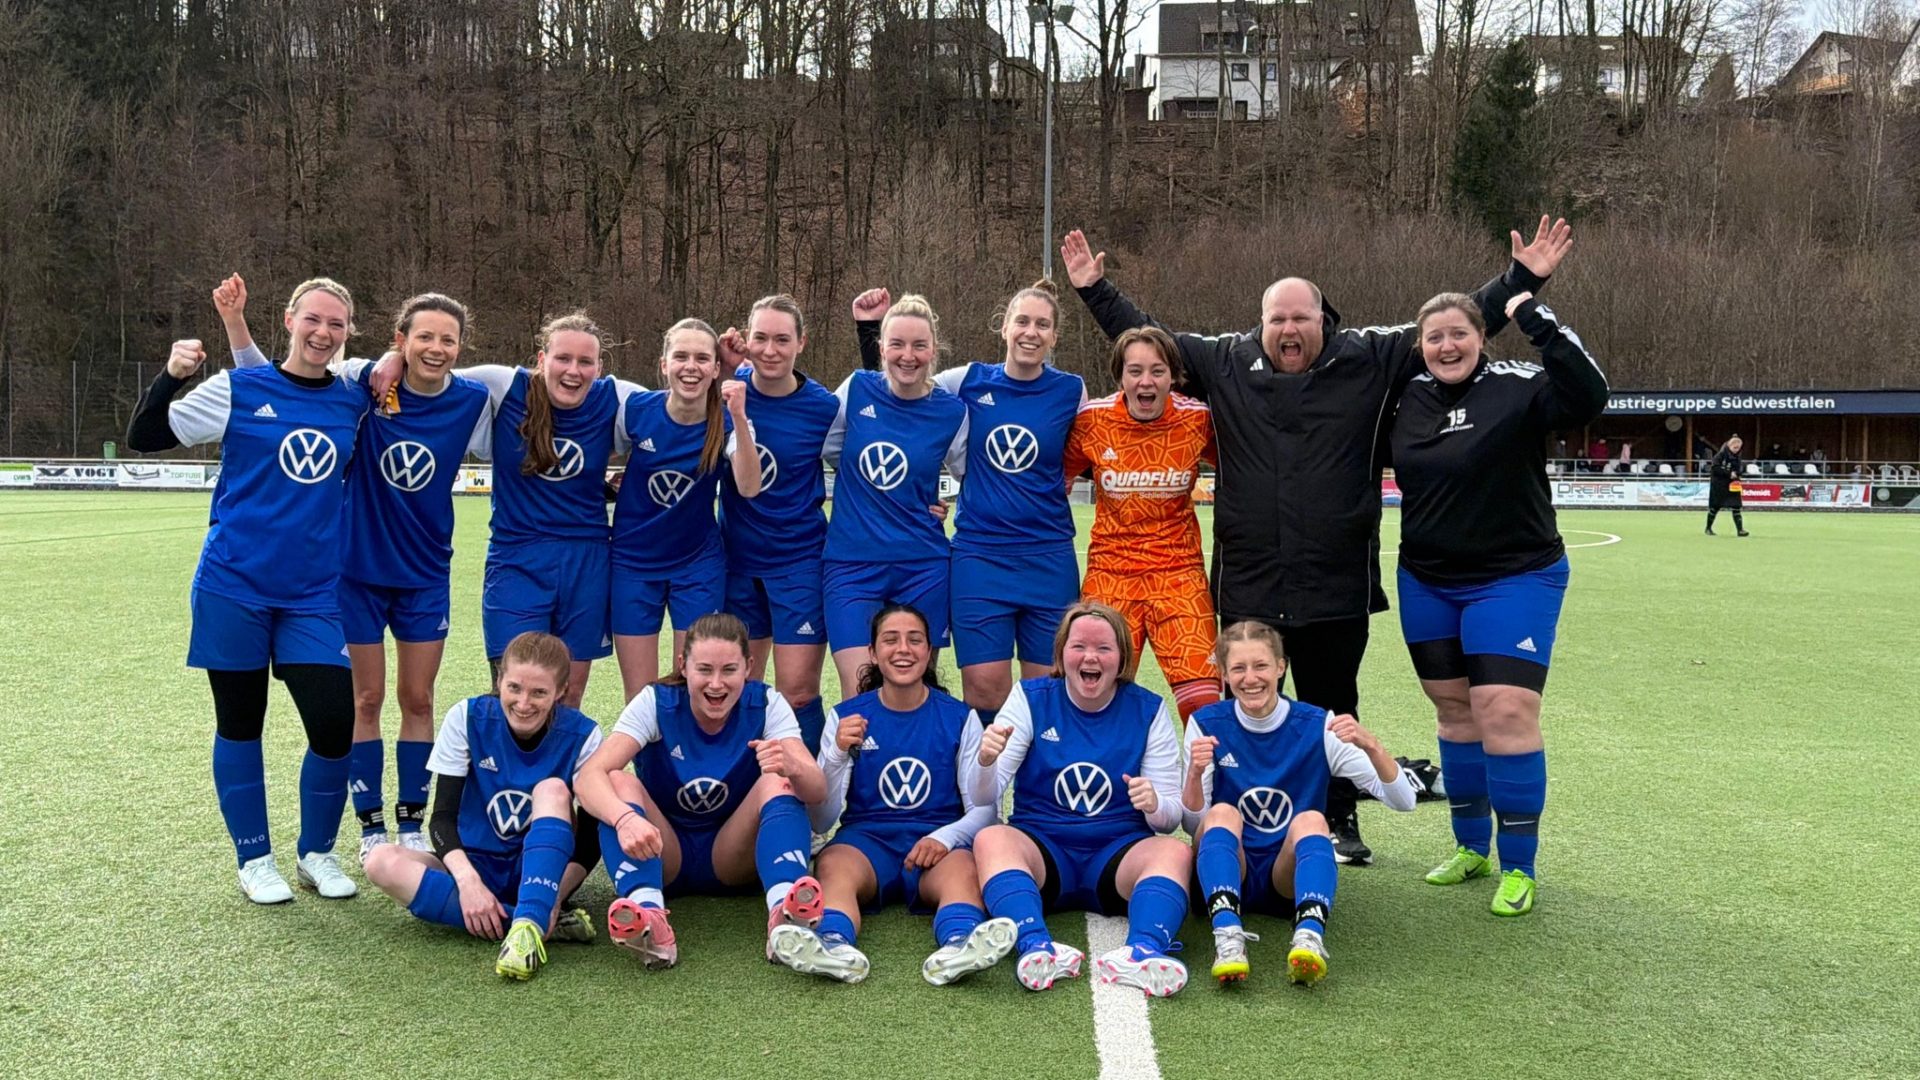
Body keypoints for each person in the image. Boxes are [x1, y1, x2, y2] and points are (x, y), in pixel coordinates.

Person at [1059, 219, 1572, 865]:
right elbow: (1153, 345)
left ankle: (1340, 816)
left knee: (1333, 706)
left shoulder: (1372, 356)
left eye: (1302, 319)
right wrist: (1094, 289)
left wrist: (1522, 281)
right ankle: (1244, 814)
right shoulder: (1223, 361)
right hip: (1250, 576)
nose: (1290, 330)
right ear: (1262, 324)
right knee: (1246, 699)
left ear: (1322, 321)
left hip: (1336, 577)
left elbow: (1454, 329)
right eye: (1278, 320)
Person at [219, 279, 494, 862]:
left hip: (424, 574)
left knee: (418, 698)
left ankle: (412, 821)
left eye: (448, 339)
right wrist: (382, 360)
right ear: (401, 339)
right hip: (354, 573)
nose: (435, 348)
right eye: (422, 337)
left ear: (461, 346)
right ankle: (369, 824)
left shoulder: (471, 400)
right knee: (364, 699)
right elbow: (278, 381)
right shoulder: (362, 390)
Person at [125, 278, 370, 903]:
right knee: (241, 722)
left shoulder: (353, 400)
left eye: (336, 324)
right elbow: (146, 435)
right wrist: (173, 374)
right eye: (312, 319)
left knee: (334, 722)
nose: (322, 333)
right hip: (234, 585)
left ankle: (316, 853)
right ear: (289, 320)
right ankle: (254, 859)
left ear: (348, 333)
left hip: (313, 594)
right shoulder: (238, 387)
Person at [1390, 290, 1609, 917]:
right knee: (1454, 710)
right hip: (1427, 577)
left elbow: (1589, 397)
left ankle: (1519, 866)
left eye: (1459, 333)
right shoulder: (1404, 397)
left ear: (1481, 337)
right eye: (1434, 337)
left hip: (1515, 576)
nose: (1447, 346)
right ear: (1420, 345)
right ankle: (1470, 849)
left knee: (1504, 709)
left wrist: (1542, 326)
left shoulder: (1518, 386)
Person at [372, 312, 647, 707]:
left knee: (569, 693)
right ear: (541, 358)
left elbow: (676, 405)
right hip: (517, 560)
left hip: (586, 563)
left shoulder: (615, 398)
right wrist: (393, 357)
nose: (573, 371)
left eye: (585, 362)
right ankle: (503, 769)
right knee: (513, 690)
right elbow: (433, 371)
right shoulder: (504, 386)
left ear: (599, 367)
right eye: (563, 359)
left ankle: (560, 771)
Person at [855, 282, 1086, 729]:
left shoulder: (1071, 392)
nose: (1031, 332)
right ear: (1004, 327)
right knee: (984, 689)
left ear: (1055, 336)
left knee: (1048, 691)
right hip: (980, 557)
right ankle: (982, 795)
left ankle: (1037, 796)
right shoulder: (965, 381)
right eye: (1022, 321)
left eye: (1042, 325)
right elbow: (900, 398)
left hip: (1048, 558)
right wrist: (911, 495)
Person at [768, 604, 1014, 984]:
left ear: (929, 651)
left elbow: (984, 808)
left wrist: (944, 838)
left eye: (915, 640)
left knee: (965, 870)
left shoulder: (958, 717)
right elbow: (821, 819)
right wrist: (834, 753)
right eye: (891, 640)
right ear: (872, 653)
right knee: (832, 865)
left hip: (935, 845)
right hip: (867, 843)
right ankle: (833, 945)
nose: (903, 649)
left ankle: (960, 944)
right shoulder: (847, 717)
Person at [573, 613, 827, 967]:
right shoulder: (656, 702)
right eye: (704, 669)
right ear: (683, 665)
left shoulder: (766, 703)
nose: (716, 684)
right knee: (617, 782)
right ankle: (651, 922)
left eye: (729, 670)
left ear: (749, 667)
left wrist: (794, 766)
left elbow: (816, 791)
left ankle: (785, 917)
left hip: (734, 855)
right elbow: (588, 778)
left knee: (778, 780)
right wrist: (626, 818)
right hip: (663, 851)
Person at [969, 602, 1192, 997]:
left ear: (1122, 657)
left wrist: (1155, 802)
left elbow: (1169, 819)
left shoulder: (1148, 709)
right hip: (1044, 849)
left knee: (1173, 852)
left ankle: (1143, 951)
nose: (1090, 657)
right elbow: (984, 795)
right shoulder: (1030, 697)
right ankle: (1035, 945)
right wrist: (985, 761)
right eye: (1079, 647)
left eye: (1104, 648)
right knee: (991, 838)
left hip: (1117, 852)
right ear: (1061, 654)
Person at [1182, 622, 1416, 987]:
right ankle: (1227, 937)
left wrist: (1372, 746)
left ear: (1281, 666)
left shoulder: (1316, 725)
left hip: (1285, 878)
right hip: (1230, 869)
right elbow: (1193, 826)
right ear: (1223, 674)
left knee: (1311, 819)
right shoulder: (1206, 724)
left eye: (1260, 666)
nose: (1250, 678)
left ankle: (1308, 938)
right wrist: (1194, 775)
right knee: (1221, 812)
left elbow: (1404, 801)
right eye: (1239, 669)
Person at [361, 632, 604, 980]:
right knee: (380, 862)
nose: (523, 703)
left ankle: (533, 912)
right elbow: (441, 820)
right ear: (499, 680)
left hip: (540, 873)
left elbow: (590, 841)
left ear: (561, 691)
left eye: (539, 692)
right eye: (515, 687)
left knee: (552, 789)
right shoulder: (467, 716)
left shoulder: (584, 735)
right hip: (474, 866)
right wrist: (469, 883)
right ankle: (530, 923)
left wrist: (554, 896)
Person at [1061, 326, 1221, 722]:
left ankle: (1204, 781)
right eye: (1135, 371)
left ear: (1173, 377)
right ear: (1120, 377)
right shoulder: (1093, 420)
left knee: (1204, 700)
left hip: (1178, 574)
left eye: (1157, 371)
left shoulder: (1197, 420)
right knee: (1093, 689)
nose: (1146, 381)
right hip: (1111, 573)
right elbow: (1050, 481)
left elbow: (1249, 466)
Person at [821, 293, 968, 700]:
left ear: (934, 351)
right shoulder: (857, 389)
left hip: (922, 565)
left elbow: (974, 474)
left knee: (913, 691)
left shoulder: (952, 412)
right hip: (851, 565)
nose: (908, 356)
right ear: (881, 348)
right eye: (897, 345)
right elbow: (827, 447)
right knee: (861, 691)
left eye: (919, 346)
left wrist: (949, 505)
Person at [611, 318, 761, 700]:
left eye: (701, 358)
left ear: (715, 368)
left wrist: (741, 418)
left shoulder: (727, 420)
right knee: (640, 696)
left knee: (691, 686)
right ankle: (647, 761)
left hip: (697, 566)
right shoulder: (635, 410)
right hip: (633, 564)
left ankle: (687, 760)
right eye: (680, 356)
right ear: (664, 365)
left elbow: (748, 485)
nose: (690, 367)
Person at [717, 296, 840, 753]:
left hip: (799, 564)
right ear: (747, 341)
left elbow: (869, 456)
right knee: (739, 688)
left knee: (799, 691)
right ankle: (739, 792)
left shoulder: (823, 407)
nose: (770, 350)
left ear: (801, 343)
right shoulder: (729, 387)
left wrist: (921, 499)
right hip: (736, 562)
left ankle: (802, 805)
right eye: (761, 338)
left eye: (782, 339)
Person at [1707, 435, 1750, 537]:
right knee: (1714, 507)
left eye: (1738, 448)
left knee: (1736, 506)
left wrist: (1738, 474)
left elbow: (1740, 469)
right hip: (1719, 485)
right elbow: (1715, 469)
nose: (1737, 450)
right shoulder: (1719, 456)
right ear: (1729, 446)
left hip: (1733, 484)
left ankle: (1740, 530)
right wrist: (1729, 473)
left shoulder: (1737, 457)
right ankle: (1708, 528)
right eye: (1735, 448)